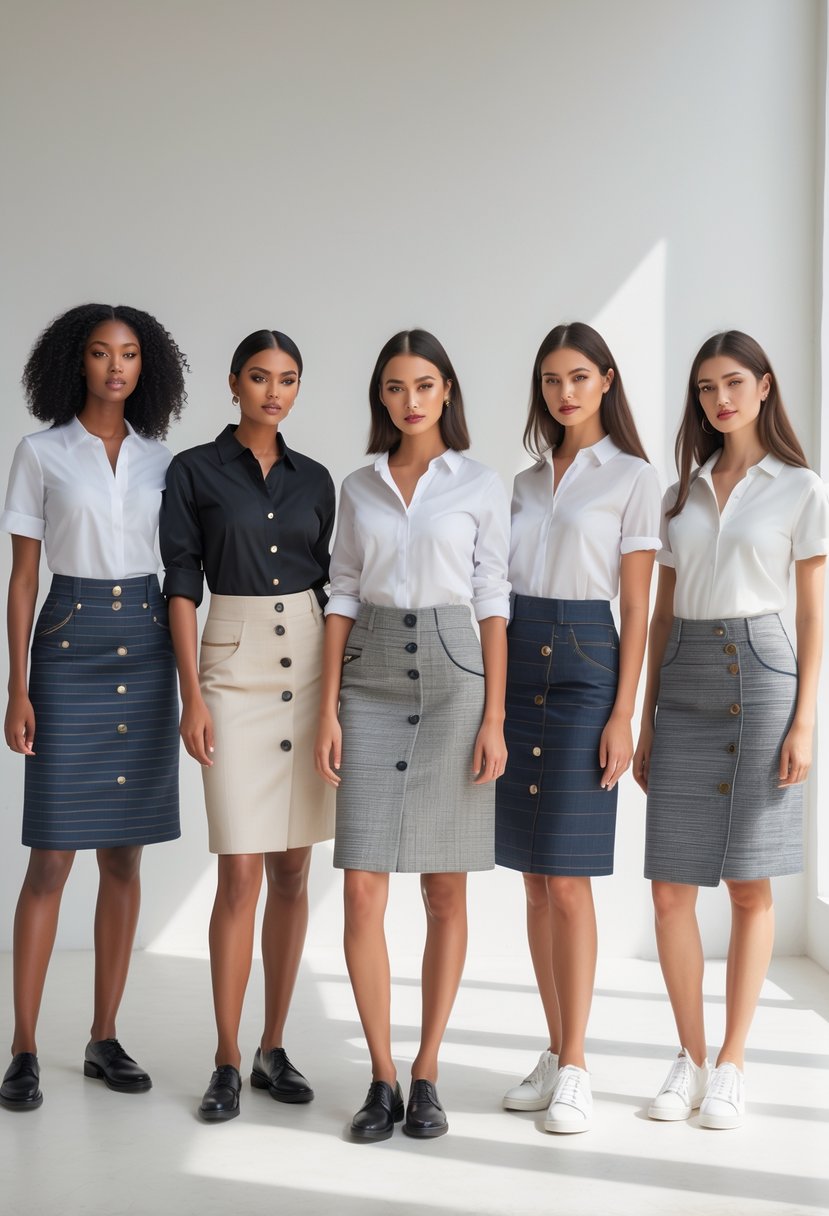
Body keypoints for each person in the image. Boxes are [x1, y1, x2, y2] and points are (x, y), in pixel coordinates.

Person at [315, 329, 510, 1141]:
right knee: (362, 882)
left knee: (443, 887)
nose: (411, 400)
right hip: (367, 680)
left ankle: (426, 1070)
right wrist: (325, 705)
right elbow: (343, 592)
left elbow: (492, 594)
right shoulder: (357, 487)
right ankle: (382, 1077)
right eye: (395, 387)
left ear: (447, 391)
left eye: (424, 384)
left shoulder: (480, 484)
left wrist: (494, 713)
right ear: (381, 399)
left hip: (455, 680)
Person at [634, 330, 828, 1130]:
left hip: (762, 673)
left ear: (764, 387)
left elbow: (813, 610)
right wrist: (643, 714)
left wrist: (805, 719)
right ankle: (688, 1055)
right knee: (669, 887)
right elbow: (656, 612)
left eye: (733, 383)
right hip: (681, 676)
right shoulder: (679, 494)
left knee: (751, 883)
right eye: (706, 388)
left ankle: (733, 1062)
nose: (720, 399)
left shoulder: (800, 488)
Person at [0, 303, 188, 1111]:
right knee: (50, 860)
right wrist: (17, 686)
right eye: (103, 353)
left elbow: (182, 575)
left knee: (125, 858)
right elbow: (22, 579)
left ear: (147, 369)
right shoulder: (41, 453)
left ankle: (103, 1037)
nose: (117, 367)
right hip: (69, 646)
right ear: (76, 362)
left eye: (131, 354)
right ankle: (24, 1047)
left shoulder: (164, 462)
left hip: (146, 648)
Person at [161, 329, 335, 1122]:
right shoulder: (193, 471)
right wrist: (192, 693)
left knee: (294, 871)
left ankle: (272, 1046)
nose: (274, 391)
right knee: (238, 871)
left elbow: (337, 592)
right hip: (229, 669)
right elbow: (181, 582)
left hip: (305, 664)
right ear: (233, 384)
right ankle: (226, 1057)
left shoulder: (317, 480)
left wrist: (335, 696)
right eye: (260, 377)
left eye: (288, 379)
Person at [496, 322, 660, 1133]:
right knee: (529, 874)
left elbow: (636, 603)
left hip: (590, 662)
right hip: (518, 656)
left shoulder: (631, 477)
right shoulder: (523, 483)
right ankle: (556, 1047)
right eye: (551, 380)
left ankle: (579, 1066)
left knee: (568, 878)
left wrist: (624, 711)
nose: (564, 391)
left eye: (578, 377)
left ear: (604, 381)